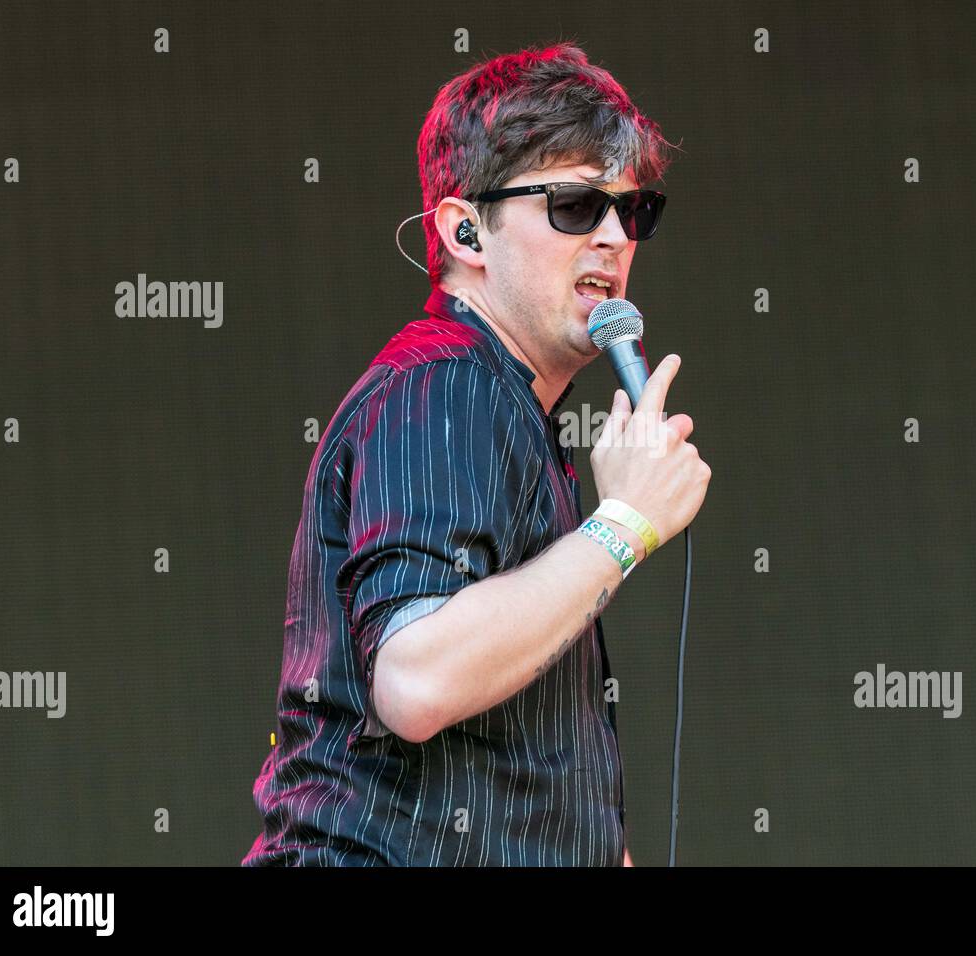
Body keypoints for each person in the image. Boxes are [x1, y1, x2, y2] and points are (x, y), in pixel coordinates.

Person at [242, 41, 710, 866]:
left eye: (631, 213)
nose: (612, 236)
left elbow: (517, 766)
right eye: (573, 205)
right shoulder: (448, 387)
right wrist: (627, 524)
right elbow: (417, 682)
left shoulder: (511, 411)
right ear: (466, 231)